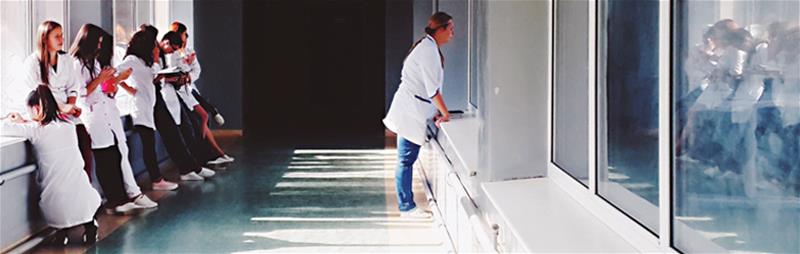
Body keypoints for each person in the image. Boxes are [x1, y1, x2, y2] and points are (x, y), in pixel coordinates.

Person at [70, 23, 160, 210]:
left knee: (115, 155)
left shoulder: (93, 62)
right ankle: (115, 201)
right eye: (98, 43)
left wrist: (113, 81)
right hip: (93, 117)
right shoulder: (77, 64)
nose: (100, 47)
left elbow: (104, 90)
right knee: (104, 157)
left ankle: (122, 198)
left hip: (106, 112)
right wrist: (102, 79)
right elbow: (81, 93)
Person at [2, 86, 101, 245]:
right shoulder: (68, 126)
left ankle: (61, 233)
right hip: (83, 194)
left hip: (55, 200)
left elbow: (5, 128)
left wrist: (12, 119)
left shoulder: (35, 131)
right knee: (81, 200)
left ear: (36, 109)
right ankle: (90, 227)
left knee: (57, 205)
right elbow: (49, 125)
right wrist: (26, 121)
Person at [119, 26, 215, 183]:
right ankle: (168, 175)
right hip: (148, 102)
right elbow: (118, 76)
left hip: (156, 98)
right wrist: (132, 90)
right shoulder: (134, 60)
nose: (155, 47)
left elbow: (152, 77)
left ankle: (191, 167)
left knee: (174, 133)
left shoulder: (145, 59)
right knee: (163, 137)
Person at [383, 12, 454, 217]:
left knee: (405, 159)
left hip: (412, 108)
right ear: (440, 30)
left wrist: (436, 112)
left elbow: (427, 90)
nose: (452, 33)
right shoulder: (428, 51)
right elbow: (432, 90)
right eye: (450, 29)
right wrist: (445, 114)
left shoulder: (428, 46)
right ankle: (406, 206)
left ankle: (406, 204)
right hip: (409, 111)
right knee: (405, 159)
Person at [20, 21, 94, 182]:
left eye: (62, 36)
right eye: (57, 36)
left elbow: (72, 86)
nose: (62, 39)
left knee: (84, 142)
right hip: (46, 115)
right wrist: (63, 108)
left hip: (68, 113)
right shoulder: (32, 63)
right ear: (45, 39)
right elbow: (37, 96)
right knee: (65, 154)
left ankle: (85, 189)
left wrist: (71, 105)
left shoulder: (66, 59)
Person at [161, 31, 233, 165]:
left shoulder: (179, 52)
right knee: (199, 120)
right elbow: (172, 74)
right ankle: (211, 154)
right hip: (179, 92)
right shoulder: (170, 55)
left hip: (187, 89)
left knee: (203, 117)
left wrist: (188, 68)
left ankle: (215, 153)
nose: (175, 49)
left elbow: (194, 71)